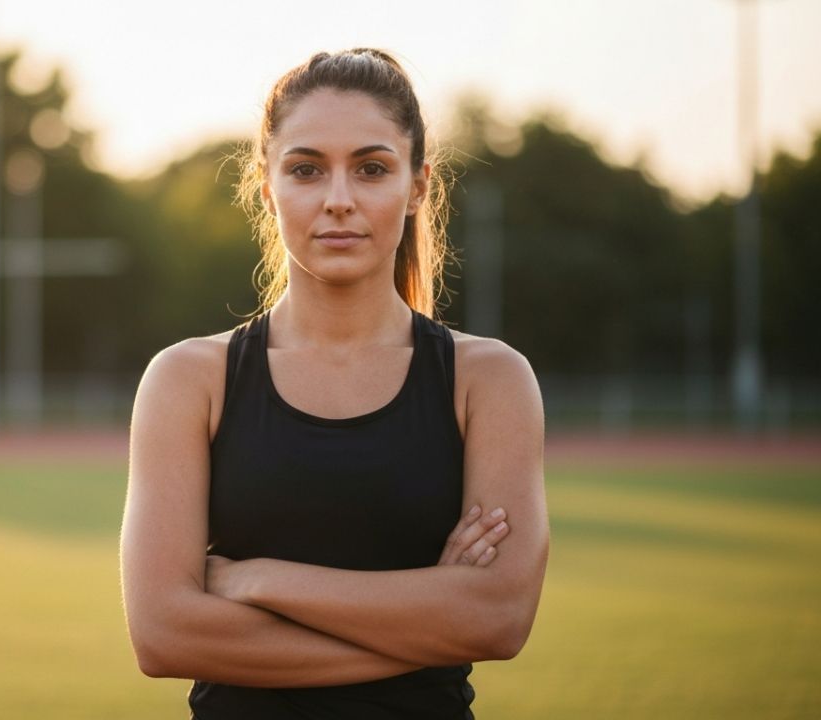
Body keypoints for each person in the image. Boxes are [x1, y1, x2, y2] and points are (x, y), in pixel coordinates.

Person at [120, 48, 548, 718]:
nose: (339, 199)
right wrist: (431, 619)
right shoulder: (188, 380)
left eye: (372, 169)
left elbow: (498, 619)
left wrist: (259, 578)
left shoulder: (488, 379)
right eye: (306, 169)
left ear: (417, 188)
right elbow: (164, 635)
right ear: (267, 186)